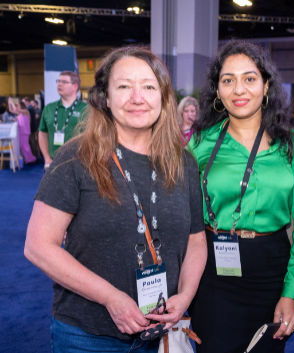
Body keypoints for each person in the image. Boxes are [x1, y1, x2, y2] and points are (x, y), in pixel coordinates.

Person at [24, 46, 207, 352]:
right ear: (105, 98)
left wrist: (185, 296)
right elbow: (38, 246)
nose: (138, 97)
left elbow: (197, 240)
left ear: (163, 98)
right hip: (87, 335)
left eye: (149, 87)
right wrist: (111, 298)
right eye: (124, 86)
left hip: (160, 328)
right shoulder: (77, 157)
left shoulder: (182, 161)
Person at [187, 40, 294, 353]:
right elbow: (181, 209)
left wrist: (292, 292)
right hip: (212, 271)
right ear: (217, 91)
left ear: (266, 85)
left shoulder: (292, 142)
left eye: (250, 78)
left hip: (271, 269)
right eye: (228, 80)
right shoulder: (201, 142)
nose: (239, 90)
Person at [38, 71, 87, 169]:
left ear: (75, 86)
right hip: (53, 163)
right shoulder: (49, 108)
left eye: (64, 82)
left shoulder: (86, 109)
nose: (59, 84)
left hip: (78, 163)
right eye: (58, 81)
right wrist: (47, 158)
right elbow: (42, 133)